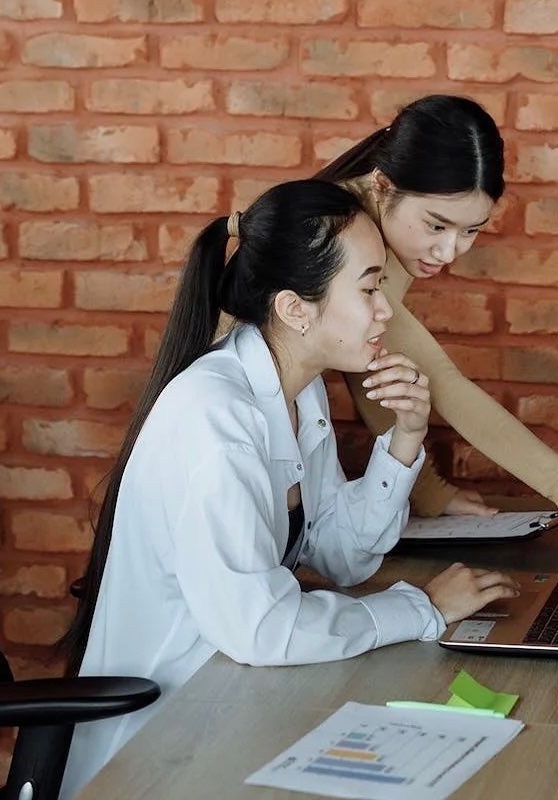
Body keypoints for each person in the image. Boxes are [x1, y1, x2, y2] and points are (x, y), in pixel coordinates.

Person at [57, 180, 520, 797]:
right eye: (368, 287)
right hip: (163, 742)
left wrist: (406, 438)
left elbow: (339, 556)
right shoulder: (216, 419)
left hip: (242, 693)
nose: (385, 309)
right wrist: (422, 609)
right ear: (294, 309)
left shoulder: (299, 389)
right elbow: (262, 629)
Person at [315, 94, 558, 531]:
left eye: (470, 230)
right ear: (383, 185)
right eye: (436, 225)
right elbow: (441, 382)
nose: (449, 251)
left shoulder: (379, 226)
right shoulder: (340, 235)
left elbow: (378, 375)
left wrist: (429, 493)